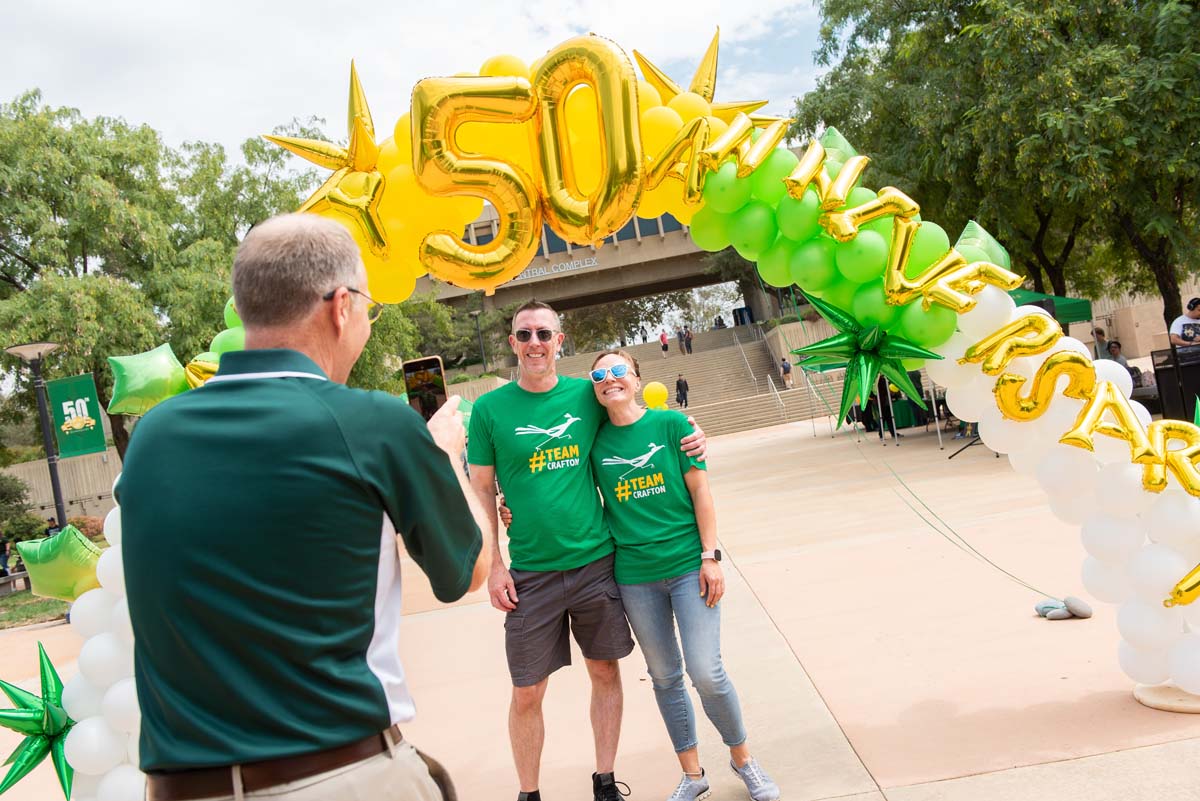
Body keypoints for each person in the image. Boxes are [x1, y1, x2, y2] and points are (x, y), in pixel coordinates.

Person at [118, 214, 490, 801]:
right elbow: (466, 573)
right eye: (367, 303)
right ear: (341, 305)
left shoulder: (153, 436)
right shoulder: (373, 424)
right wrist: (444, 454)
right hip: (337, 776)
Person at [512, 350, 779, 801]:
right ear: (594, 388)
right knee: (664, 676)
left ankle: (743, 760)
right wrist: (510, 508)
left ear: (637, 379)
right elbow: (558, 483)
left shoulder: (673, 427)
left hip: (687, 568)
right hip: (633, 576)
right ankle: (693, 774)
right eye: (599, 375)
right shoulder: (593, 444)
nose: (609, 379)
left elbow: (702, 494)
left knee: (706, 672)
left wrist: (709, 555)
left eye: (619, 371)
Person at [467, 300, 706, 801]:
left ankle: (603, 781)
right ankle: (529, 793)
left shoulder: (586, 396)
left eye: (544, 334)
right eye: (525, 335)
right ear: (513, 343)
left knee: (604, 670)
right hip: (530, 572)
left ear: (560, 340)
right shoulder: (490, 410)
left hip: (597, 563)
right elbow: (482, 491)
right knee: (527, 690)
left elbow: (634, 415)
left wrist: (692, 433)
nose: (535, 343)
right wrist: (496, 564)